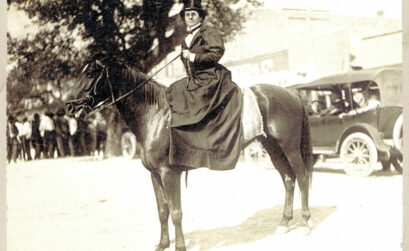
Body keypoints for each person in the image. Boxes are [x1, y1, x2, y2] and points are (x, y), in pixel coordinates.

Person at [166, 0, 243, 170]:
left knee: (199, 97)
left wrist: (192, 57)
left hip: (211, 77)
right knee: (173, 90)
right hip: (195, 78)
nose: (190, 17)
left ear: (200, 17)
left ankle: (207, 144)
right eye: (187, 14)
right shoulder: (186, 38)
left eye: (194, 14)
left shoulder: (208, 32)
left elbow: (217, 52)